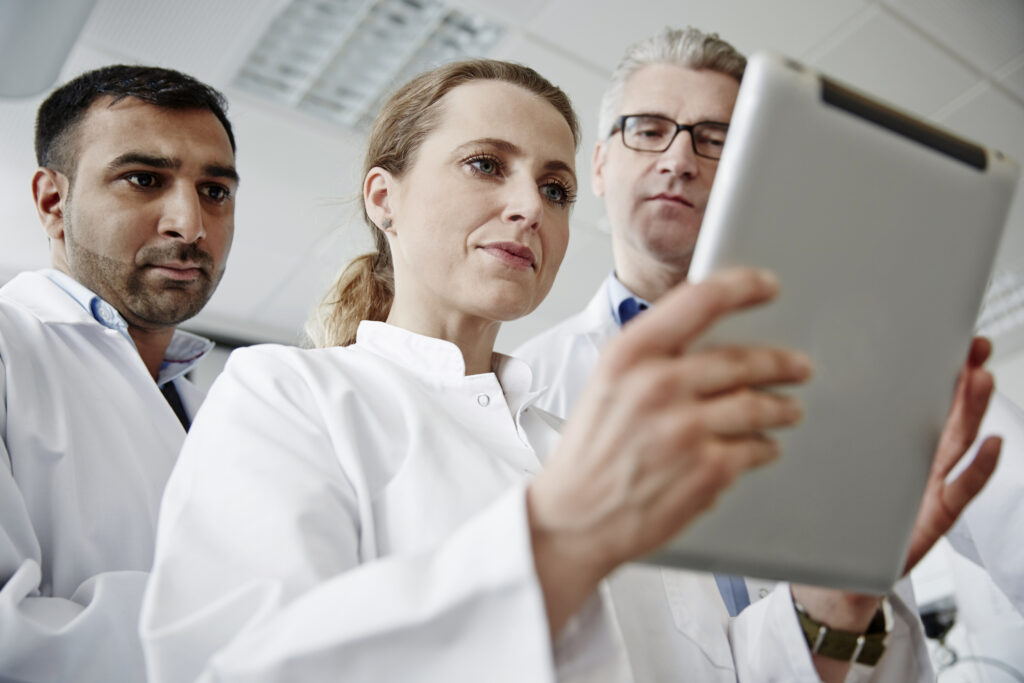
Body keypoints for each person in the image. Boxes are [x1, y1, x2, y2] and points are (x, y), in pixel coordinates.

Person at [141, 57, 993, 682]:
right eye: (487, 164)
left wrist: (836, 596)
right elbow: (237, 666)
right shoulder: (289, 396)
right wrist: (560, 540)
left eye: (554, 188)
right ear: (383, 196)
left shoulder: (574, 436)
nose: (528, 206)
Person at [515, 23, 1018, 675]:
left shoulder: (869, 345)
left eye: (713, 138)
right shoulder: (527, 384)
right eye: (647, 128)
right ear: (601, 165)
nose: (679, 159)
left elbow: (1010, 498)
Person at [0, 65, 238, 682]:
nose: (190, 224)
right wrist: (250, 625)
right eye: (143, 179)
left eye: (214, 190)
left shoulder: (218, 408)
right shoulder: (9, 346)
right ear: (54, 201)